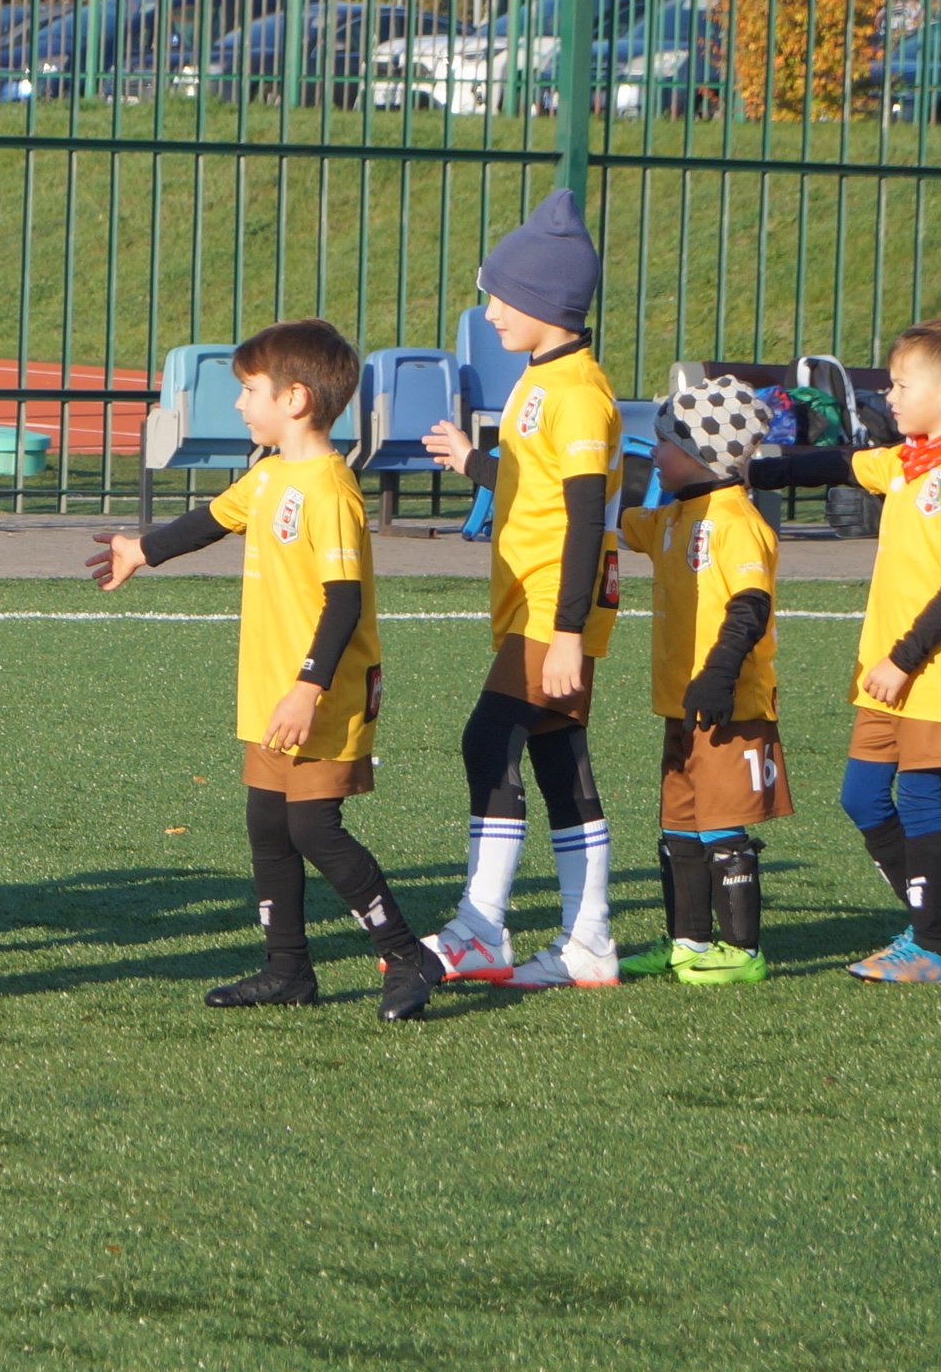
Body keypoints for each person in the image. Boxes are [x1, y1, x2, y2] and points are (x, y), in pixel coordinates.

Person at [89, 320, 445, 1023]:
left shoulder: (330, 489)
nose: (239, 404)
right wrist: (141, 550)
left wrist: (308, 689)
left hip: (321, 694)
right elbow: (212, 520)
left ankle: (408, 955)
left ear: (296, 399)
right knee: (268, 826)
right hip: (271, 693)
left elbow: (344, 602)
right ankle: (287, 970)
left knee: (314, 828)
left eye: (250, 390)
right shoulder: (270, 474)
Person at [748, 316, 941, 984]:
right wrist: (749, 470)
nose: (889, 396)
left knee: (918, 800)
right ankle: (939, 919)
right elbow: (838, 463)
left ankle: (933, 947)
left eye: (900, 385)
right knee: (862, 798)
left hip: (930, 671)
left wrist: (903, 657)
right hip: (886, 674)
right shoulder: (910, 461)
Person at [419, 188, 626, 990]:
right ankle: (587, 942)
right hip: (536, 602)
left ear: (546, 300)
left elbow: (584, 517)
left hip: (552, 605)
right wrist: (474, 463)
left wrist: (568, 630)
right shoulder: (543, 378)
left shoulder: (577, 392)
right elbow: (535, 486)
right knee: (556, 755)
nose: (491, 312)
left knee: (488, 741)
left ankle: (481, 928)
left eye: (502, 297)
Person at [612, 376, 786, 985]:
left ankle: (743, 951)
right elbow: (609, 521)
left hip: (725, 702)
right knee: (679, 826)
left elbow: (750, 605)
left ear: (701, 452)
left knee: (721, 823)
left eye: (665, 441)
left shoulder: (735, 520)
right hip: (679, 703)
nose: (655, 451)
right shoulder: (673, 516)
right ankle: (688, 941)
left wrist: (717, 675)